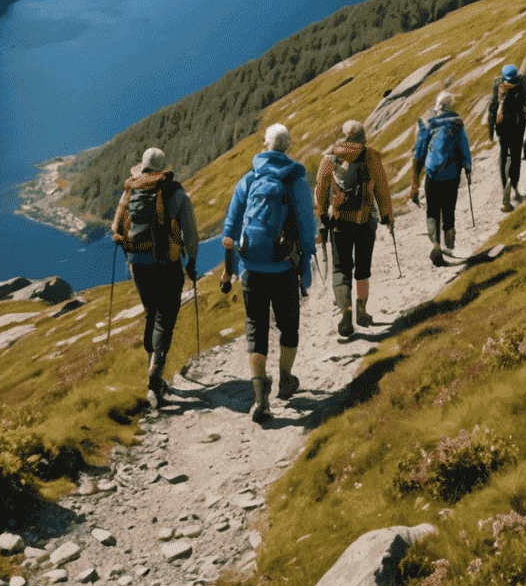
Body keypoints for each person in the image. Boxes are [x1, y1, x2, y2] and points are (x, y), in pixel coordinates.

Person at [220, 123, 316, 423]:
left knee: (256, 330)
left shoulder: (248, 180)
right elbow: (307, 230)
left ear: (265, 144)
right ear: (287, 147)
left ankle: (261, 399)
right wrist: (307, 260)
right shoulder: (296, 182)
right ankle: (286, 379)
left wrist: (229, 269)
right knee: (288, 327)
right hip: (285, 269)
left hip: (252, 270)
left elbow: (230, 229)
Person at [112, 147, 199, 411]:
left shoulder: (131, 190)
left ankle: (153, 369)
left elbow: (115, 228)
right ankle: (156, 373)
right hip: (167, 265)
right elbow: (191, 234)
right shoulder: (176, 193)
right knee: (166, 317)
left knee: (151, 313)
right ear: (163, 168)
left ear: (143, 167)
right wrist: (191, 263)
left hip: (138, 265)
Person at [314, 119, 394, 339]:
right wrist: (387, 214)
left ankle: (345, 312)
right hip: (365, 219)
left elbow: (320, 189)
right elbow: (382, 188)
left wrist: (322, 214)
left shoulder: (330, 157)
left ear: (344, 135)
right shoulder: (371, 156)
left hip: (339, 221)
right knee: (362, 268)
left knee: (341, 268)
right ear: (362, 136)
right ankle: (362, 311)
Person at [410, 91, 472, 267]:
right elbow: (464, 147)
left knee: (432, 210)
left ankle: (436, 245)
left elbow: (419, 154)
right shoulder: (457, 124)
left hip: (432, 175)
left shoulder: (430, 125)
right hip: (451, 174)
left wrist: (414, 182)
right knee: (449, 208)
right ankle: (448, 243)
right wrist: (468, 167)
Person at [488, 63, 526, 212]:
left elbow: (492, 107)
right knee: (515, 158)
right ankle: (511, 194)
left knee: (504, 156)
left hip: (501, 129)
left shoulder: (498, 85)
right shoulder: (520, 84)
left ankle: (510, 191)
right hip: (517, 127)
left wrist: (490, 130)